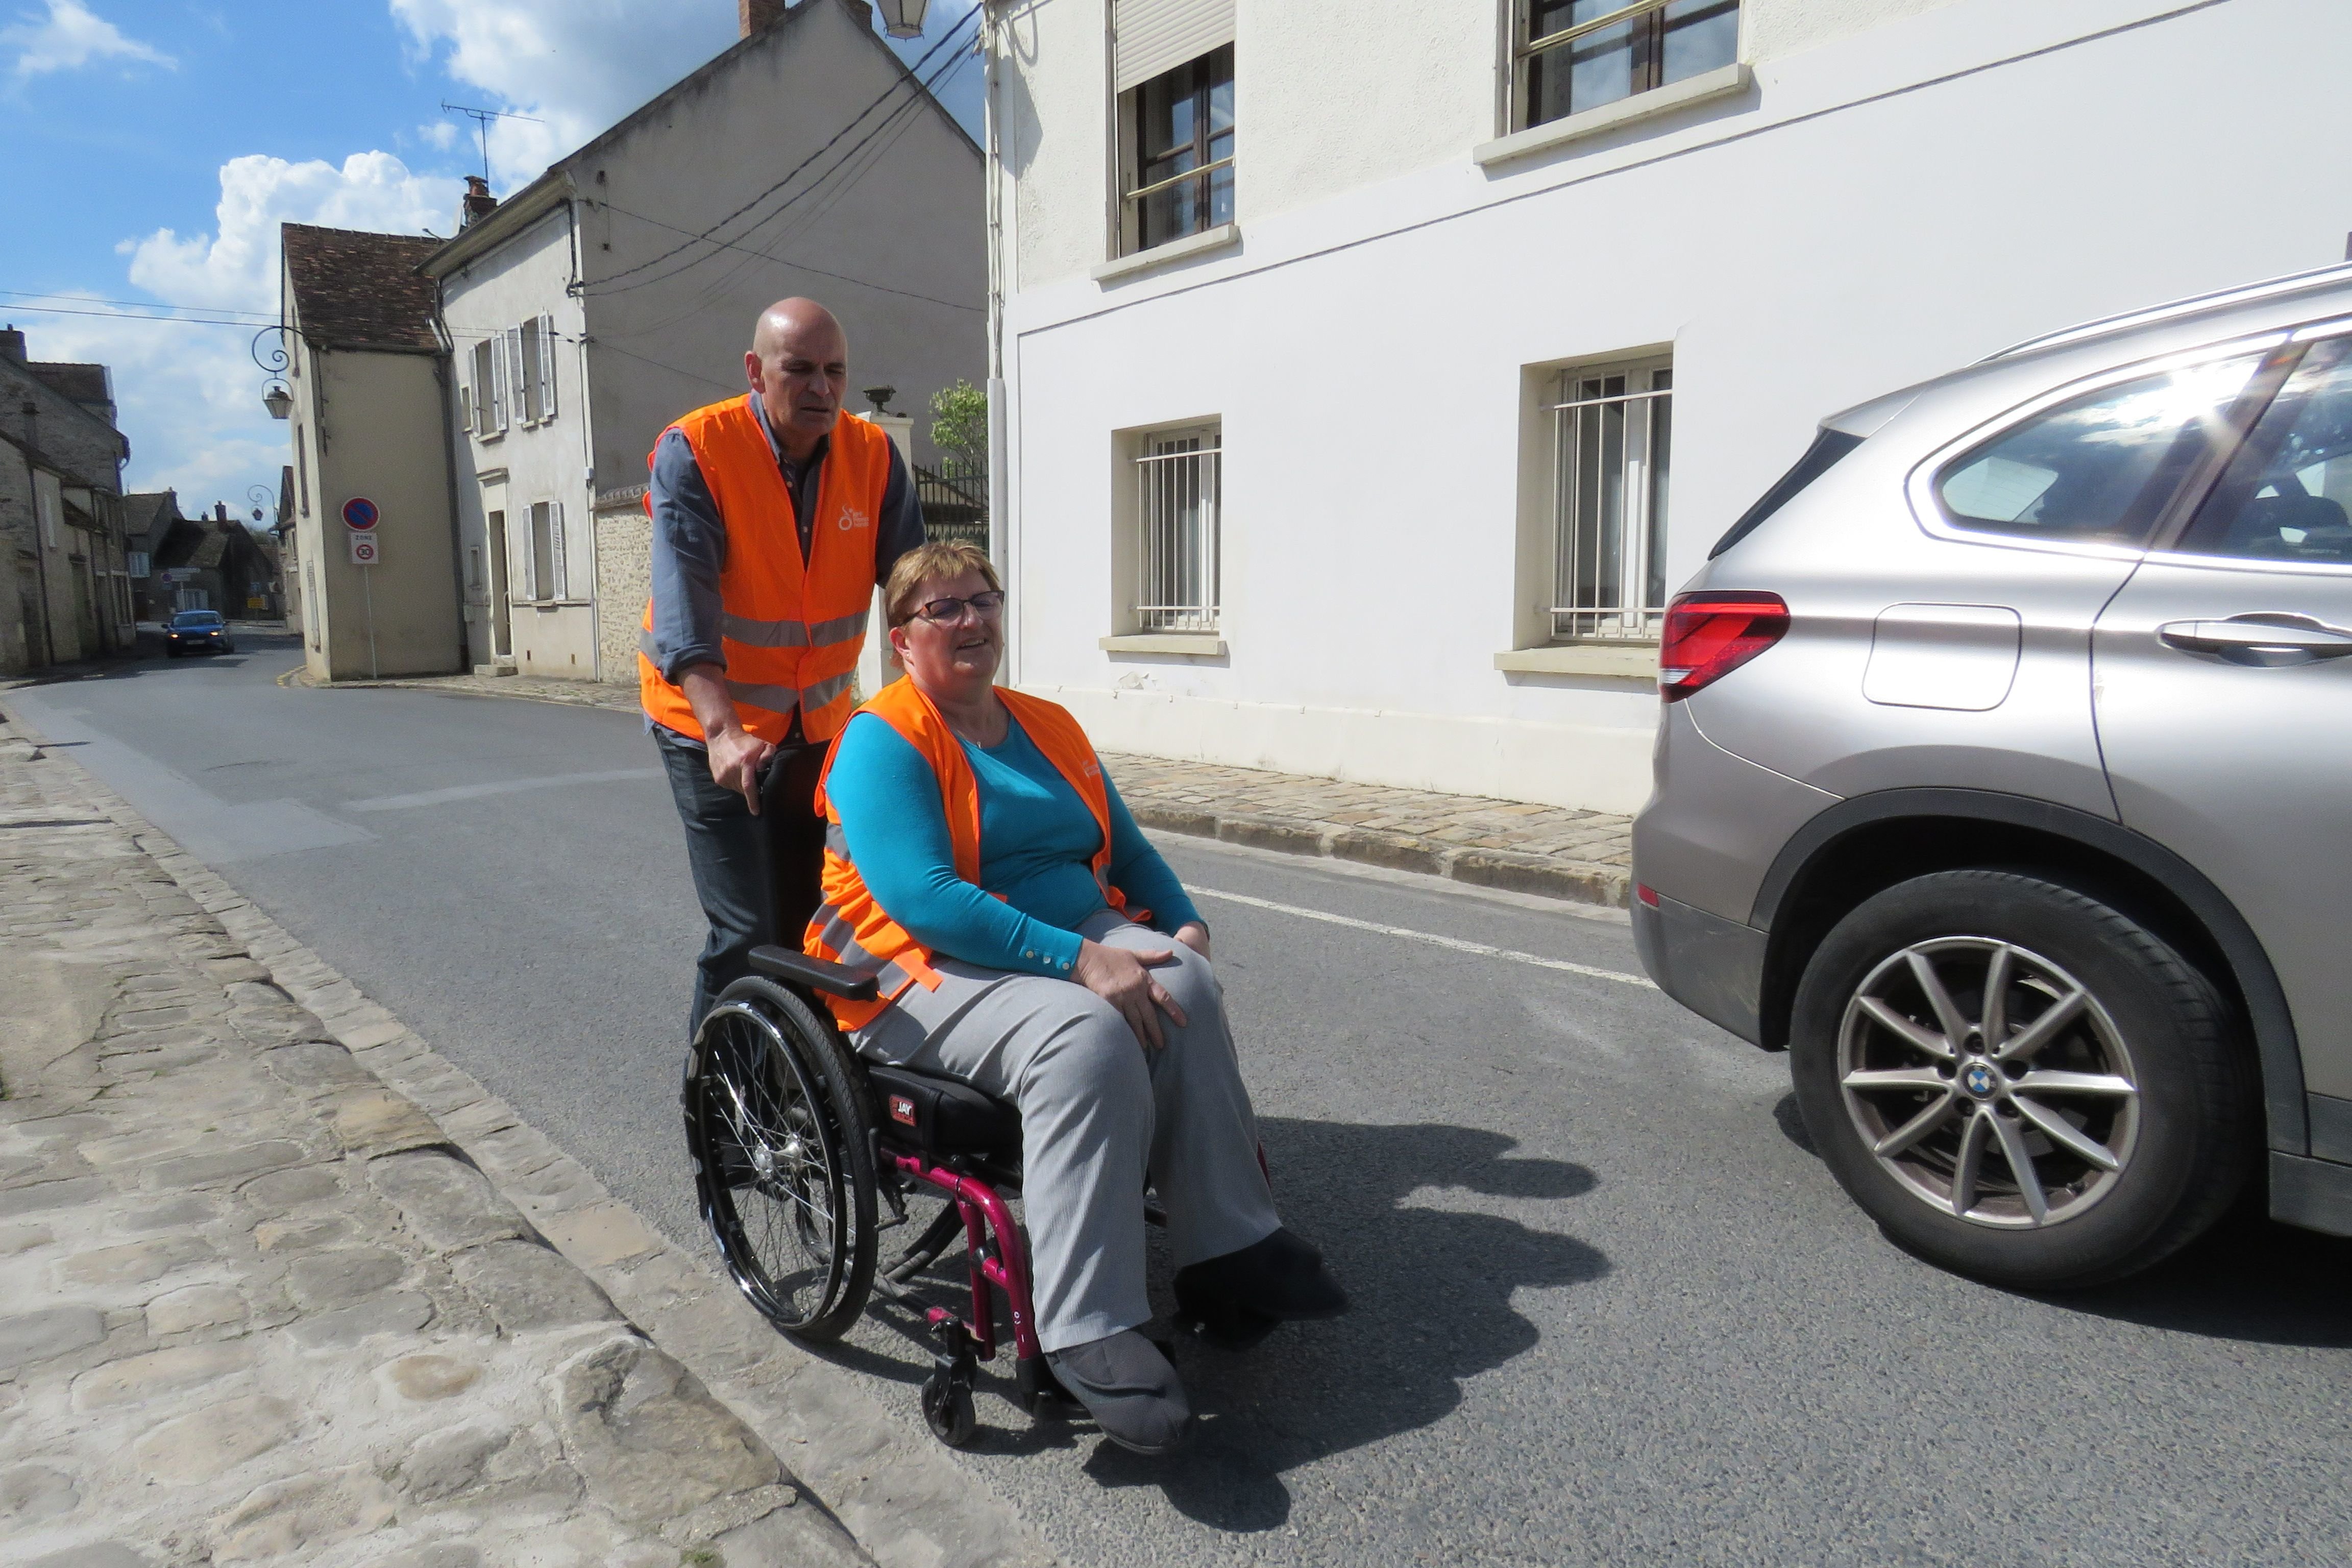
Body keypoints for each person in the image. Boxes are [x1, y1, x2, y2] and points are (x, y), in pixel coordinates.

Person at [805, 540, 1348, 1455]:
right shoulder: (882, 739)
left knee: (1187, 985)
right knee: (1085, 1039)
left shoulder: (1046, 724)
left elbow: (1128, 850)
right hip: (917, 969)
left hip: (1060, 939)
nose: (972, 619)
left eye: (983, 599)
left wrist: (1181, 924)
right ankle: (1084, 1326)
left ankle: (1227, 1251)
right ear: (902, 641)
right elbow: (926, 898)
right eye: (943, 609)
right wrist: (1082, 961)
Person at [642, 298, 926, 1034]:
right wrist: (722, 731)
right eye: (798, 370)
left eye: (835, 372)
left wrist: (945, 710)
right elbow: (686, 616)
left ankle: (802, 1094)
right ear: (755, 372)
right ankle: (718, 1118)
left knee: (818, 920)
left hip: (818, 724)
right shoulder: (698, 450)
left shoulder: (873, 457)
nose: (821, 389)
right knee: (746, 931)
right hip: (709, 724)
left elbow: (913, 596)